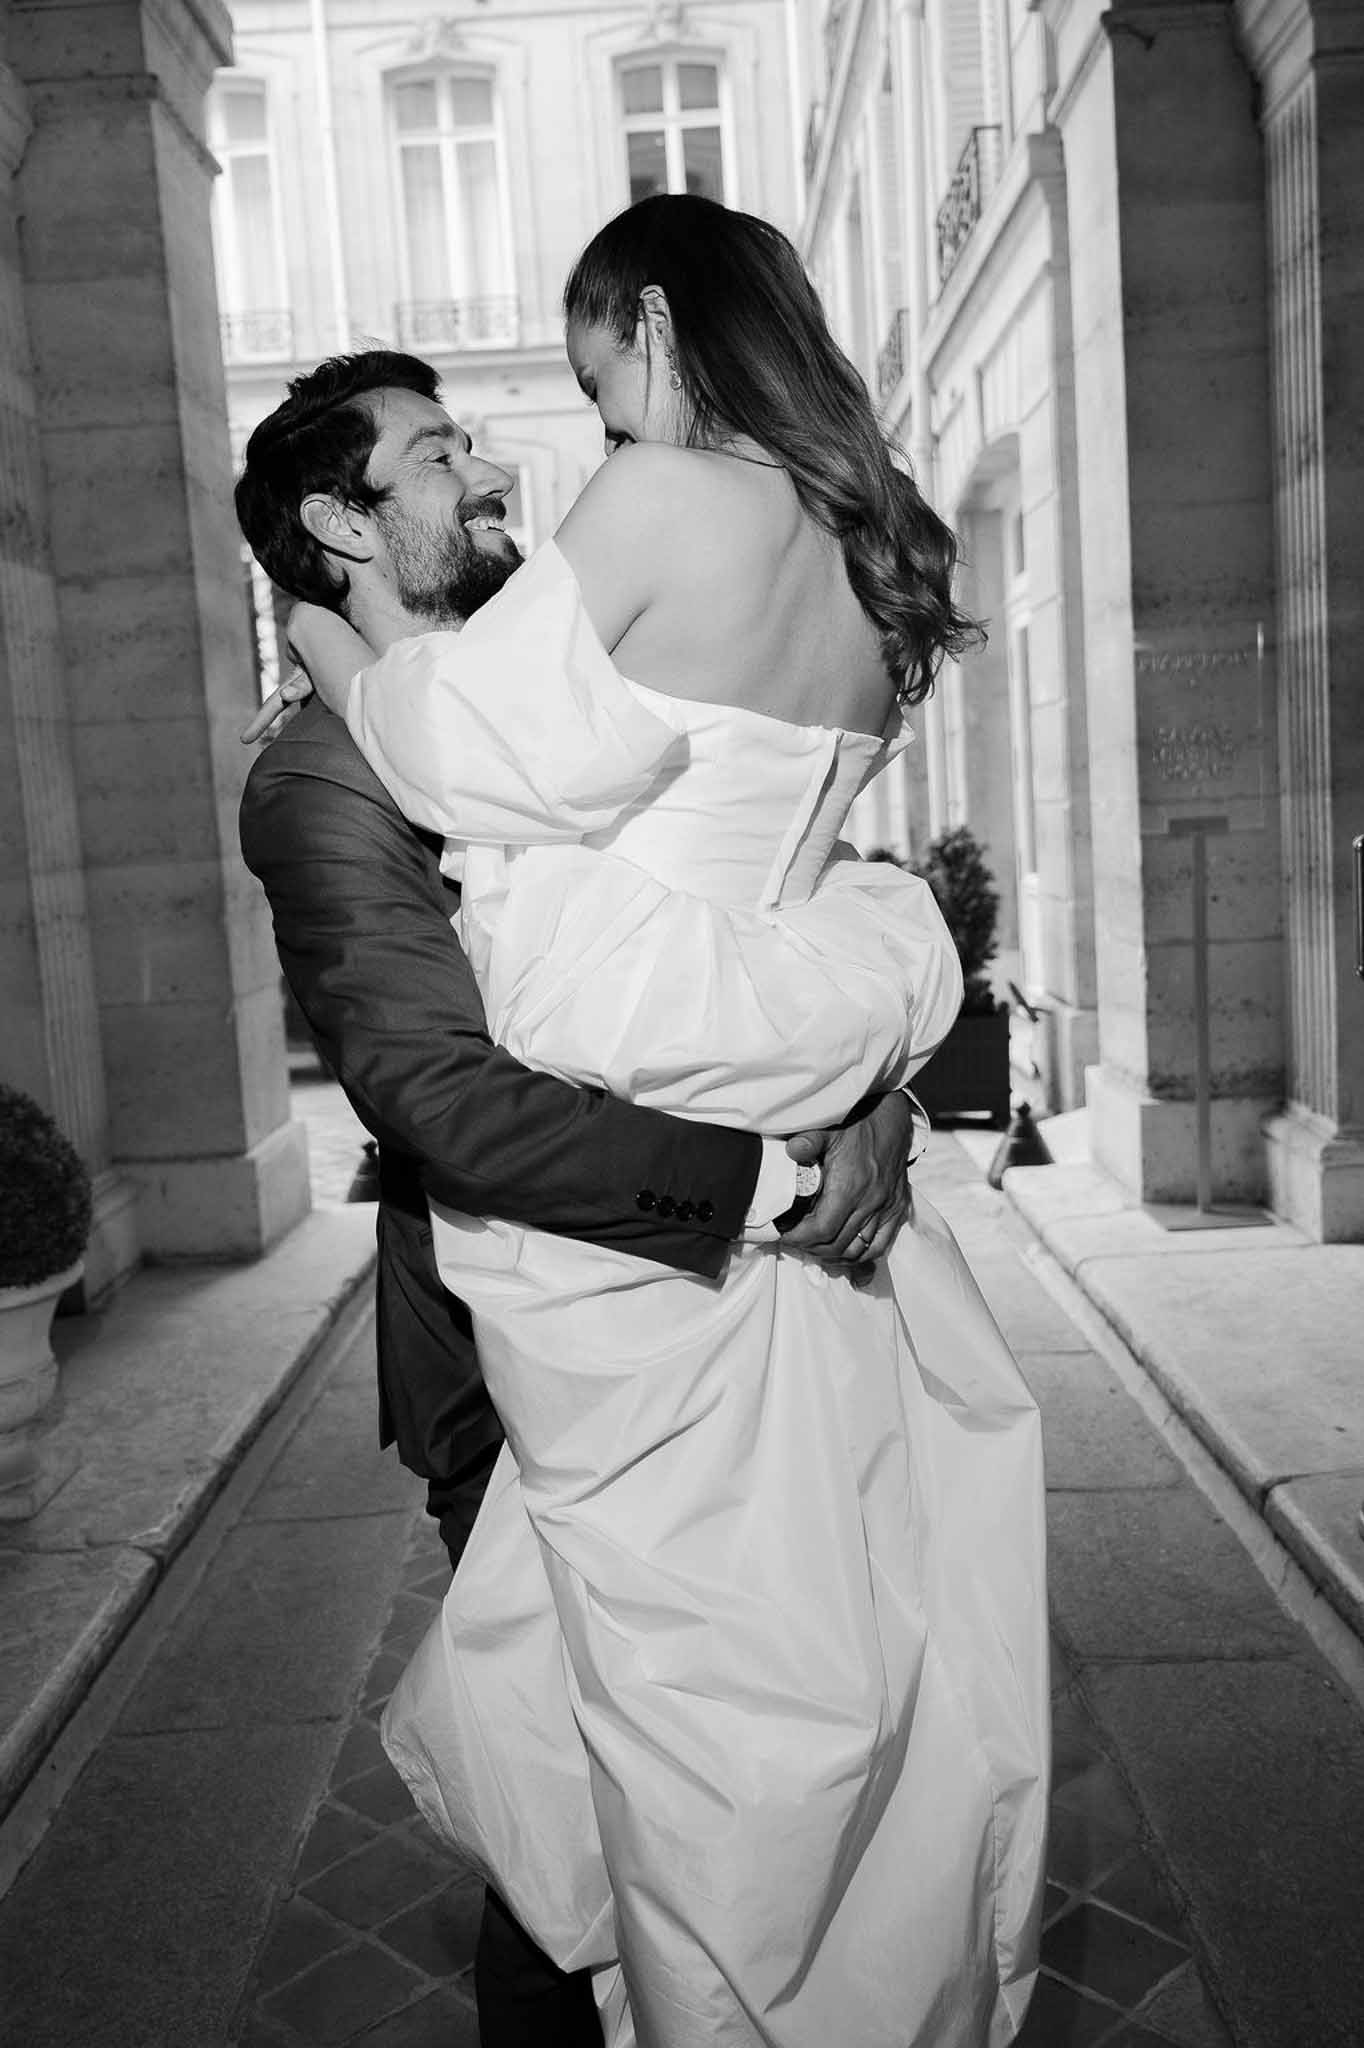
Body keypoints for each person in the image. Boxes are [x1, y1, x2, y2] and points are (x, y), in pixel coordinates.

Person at [281, 196, 1050, 2047]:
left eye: (590, 383)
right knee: (843, 1638)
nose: (579, 437)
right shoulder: (863, 548)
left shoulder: (656, 498)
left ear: (646, 318)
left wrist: (348, 649)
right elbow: (763, 863)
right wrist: (839, 1103)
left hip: (648, 1191)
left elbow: (471, 753)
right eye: (451, 445)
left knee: (687, 1707)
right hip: (772, 1117)